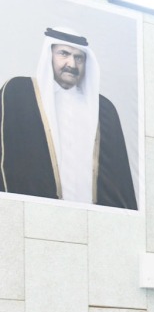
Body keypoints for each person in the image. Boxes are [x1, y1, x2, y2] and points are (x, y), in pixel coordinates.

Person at [0, 27, 137, 208]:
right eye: (63, 53)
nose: (72, 64)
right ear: (49, 54)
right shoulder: (19, 92)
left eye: (78, 57)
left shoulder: (104, 109)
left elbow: (119, 178)